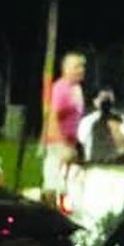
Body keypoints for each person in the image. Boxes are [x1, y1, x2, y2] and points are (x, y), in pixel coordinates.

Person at [43, 51, 86, 194]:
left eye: (82, 66)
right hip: (59, 143)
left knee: (69, 182)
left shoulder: (76, 88)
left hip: (71, 142)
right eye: (76, 67)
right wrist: (60, 143)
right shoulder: (61, 88)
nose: (81, 70)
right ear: (65, 69)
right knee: (56, 181)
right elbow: (52, 116)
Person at [75, 88, 124, 162]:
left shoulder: (120, 118)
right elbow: (81, 141)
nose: (106, 102)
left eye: (109, 99)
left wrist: (114, 127)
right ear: (95, 101)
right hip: (93, 162)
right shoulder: (87, 121)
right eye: (103, 98)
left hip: (115, 162)